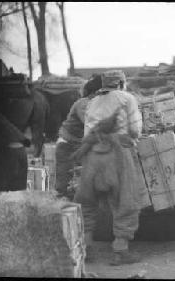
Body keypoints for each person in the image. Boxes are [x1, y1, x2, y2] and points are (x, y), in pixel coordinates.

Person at [75, 70, 145, 266]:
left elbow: (87, 132)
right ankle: (121, 250)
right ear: (121, 83)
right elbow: (135, 130)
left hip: (92, 154)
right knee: (126, 200)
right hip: (117, 153)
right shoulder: (127, 98)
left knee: (87, 203)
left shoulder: (91, 102)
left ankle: (86, 247)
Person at [54, 74, 102, 199]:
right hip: (67, 148)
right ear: (97, 92)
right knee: (64, 188)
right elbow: (91, 124)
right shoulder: (84, 104)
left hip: (78, 147)